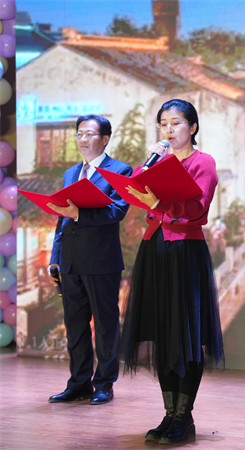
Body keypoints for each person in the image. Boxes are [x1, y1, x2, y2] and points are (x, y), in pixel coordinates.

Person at [120, 99, 224, 444]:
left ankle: (184, 416)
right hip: (155, 248)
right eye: (163, 123)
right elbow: (133, 191)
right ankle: (169, 414)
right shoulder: (159, 161)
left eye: (176, 122)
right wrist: (148, 163)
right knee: (163, 333)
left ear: (192, 127)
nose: (169, 129)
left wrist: (158, 203)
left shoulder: (202, 162)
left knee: (186, 335)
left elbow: (197, 209)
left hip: (184, 250)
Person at [47, 115, 132, 406]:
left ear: (105, 139)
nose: (83, 139)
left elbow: (117, 212)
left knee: (106, 326)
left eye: (90, 134)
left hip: (101, 261)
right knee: (75, 326)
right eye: (79, 133)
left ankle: (104, 384)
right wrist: (55, 258)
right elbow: (62, 219)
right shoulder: (71, 173)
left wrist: (80, 214)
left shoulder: (120, 170)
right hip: (70, 261)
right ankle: (79, 383)